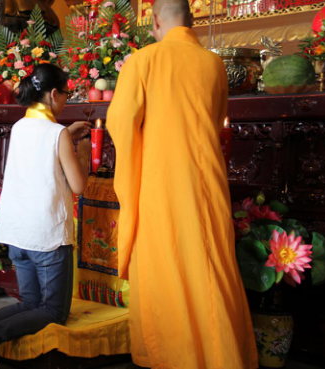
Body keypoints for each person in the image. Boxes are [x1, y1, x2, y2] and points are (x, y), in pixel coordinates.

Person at [106, 0, 258, 368]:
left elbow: (120, 123)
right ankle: (222, 355)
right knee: (211, 266)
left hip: (162, 186)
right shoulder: (214, 64)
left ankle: (177, 358)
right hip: (208, 183)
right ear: (191, 20)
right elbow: (217, 118)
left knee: (167, 268)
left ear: (155, 22)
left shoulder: (143, 61)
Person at [0, 64, 92, 369]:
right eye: (65, 93)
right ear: (53, 94)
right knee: (53, 311)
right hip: (48, 239)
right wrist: (82, 148)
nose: (66, 99)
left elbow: (45, 151)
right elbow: (78, 184)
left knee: (29, 303)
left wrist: (66, 134)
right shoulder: (57, 134)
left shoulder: (18, 127)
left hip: (17, 235)